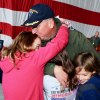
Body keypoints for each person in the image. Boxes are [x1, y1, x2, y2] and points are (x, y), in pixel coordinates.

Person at [22, 3, 100, 87]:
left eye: (36, 26)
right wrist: (53, 69)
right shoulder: (35, 41)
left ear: (50, 23)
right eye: (32, 27)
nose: (33, 31)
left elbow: (96, 63)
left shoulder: (75, 38)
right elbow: (27, 62)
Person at [0, 25, 69, 100]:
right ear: (27, 43)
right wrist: (64, 26)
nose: (39, 49)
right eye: (37, 46)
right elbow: (59, 42)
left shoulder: (9, 59)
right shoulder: (34, 57)